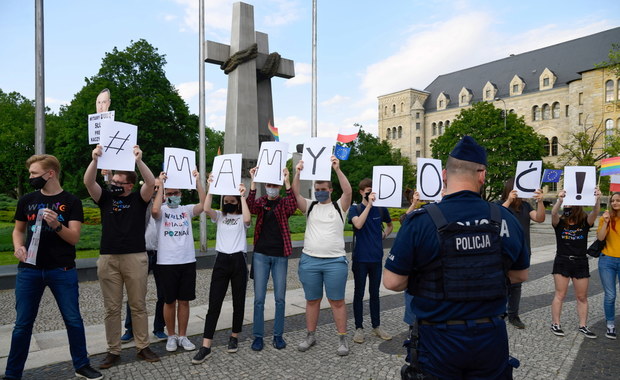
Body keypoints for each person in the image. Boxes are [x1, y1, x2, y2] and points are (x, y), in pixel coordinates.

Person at [384, 136, 529, 379]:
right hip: (489, 336)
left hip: (438, 338)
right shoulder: (504, 218)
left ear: (443, 174)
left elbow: (392, 282)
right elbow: (520, 274)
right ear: (482, 174)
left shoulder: (420, 221)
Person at [5, 155, 102, 380]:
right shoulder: (27, 200)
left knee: (73, 320)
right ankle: (12, 374)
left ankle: (81, 365)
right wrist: (18, 247)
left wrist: (57, 224)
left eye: (34, 174)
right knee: (22, 325)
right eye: (30, 174)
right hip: (28, 270)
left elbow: (74, 237)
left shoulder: (72, 201)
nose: (31, 178)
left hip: (62, 270)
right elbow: (18, 230)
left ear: (50, 174)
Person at [83, 144, 160, 368]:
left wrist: (138, 160)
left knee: (138, 305)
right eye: (113, 182)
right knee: (112, 308)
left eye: (119, 183)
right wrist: (95, 159)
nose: (114, 185)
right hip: (108, 258)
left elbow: (151, 182)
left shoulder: (139, 198)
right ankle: (113, 350)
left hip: (135, 257)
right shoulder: (105, 198)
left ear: (130, 184)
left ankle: (142, 347)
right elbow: (89, 182)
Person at [292, 155, 353, 356]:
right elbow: (294, 194)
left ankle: (342, 338)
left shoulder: (339, 207)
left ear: (330, 190)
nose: (320, 192)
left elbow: (348, 191)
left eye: (323, 189)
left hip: (335, 261)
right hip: (310, 260)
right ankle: (310, 335)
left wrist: (337, 169)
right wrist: (297, 173)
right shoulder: (309, 206)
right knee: (312, 300)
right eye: (317, 190)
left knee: (337, 301)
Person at [192, 179, 251, 364]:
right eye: (226, 200)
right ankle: (206, 345)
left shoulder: (242, 217)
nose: (229, 203)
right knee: (214, 303)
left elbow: (248, 219)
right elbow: (207, 208)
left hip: (239, 261)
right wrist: (211, 189)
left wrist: (242, 197)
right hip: (222, 261)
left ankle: (234, 336)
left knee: (238, 301)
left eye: (232, 201)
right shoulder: (219, 216)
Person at [152, 170, 205, 353]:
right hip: (166, 262)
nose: (173, 196)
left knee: (184, 301)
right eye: (170, 193)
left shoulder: (186, 210)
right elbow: (155, 210)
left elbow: (204, 204)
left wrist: (198, 181)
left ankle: (183, 336)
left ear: (181, 194)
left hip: (187, 260)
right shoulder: (162, 211)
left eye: (176, 193)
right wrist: (160, 186)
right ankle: (171, 336)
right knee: (169, 301)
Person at [246, 167, 297, 351]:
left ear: (279, 186)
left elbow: (294, 205)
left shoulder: (284, 203)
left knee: (280, 298)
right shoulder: (260, 202)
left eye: (275, 185)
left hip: (280, 256)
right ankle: (258, 336)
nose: (271, 188)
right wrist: (253, 182)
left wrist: (288, 181)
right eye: (268, 185)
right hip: (261, 255)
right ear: (265, 186)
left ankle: (278, 335)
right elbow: (250, 207)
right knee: (259, 298)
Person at [121, 178, 167, 344]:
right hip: (142, 252)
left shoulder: (167, 204)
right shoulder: (139, 203)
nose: (154, 189)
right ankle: (130, 329)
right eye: (152, 186)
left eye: (157, 186)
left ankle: (159, 328)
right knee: (136, 293)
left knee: (163, 293)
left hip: (162, 253)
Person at [550, 188, 601, 338]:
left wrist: (597, 199)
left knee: (582, 296)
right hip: (562, 261)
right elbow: (553, 213)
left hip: (580, 262)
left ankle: (583, 325)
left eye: (569, 205)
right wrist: (559, 200)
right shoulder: (559, 223)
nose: (567, 207)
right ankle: (556, 323)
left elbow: (595, 213)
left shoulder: (585, 223)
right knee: (560, 294)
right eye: (566, 205)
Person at [349, 178, 393, 344]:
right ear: (361, 192)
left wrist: (384, 234)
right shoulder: (355, 209)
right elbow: (358, 225)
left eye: (373, 191)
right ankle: (358, 328)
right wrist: (368, 205)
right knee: (358, 293)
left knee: (374, 293)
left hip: (375, 258)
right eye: (368, 191)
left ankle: (376, 326)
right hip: (360, 258)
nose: (371, 194)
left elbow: (389, 225)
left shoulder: (381, 209)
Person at [500, 177, 546, 329]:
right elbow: (499, 215)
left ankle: (514, 315)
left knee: (516, 285)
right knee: (500, 283)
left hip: (522, 250)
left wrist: (540, 202)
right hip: (502, 251)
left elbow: (539, 218)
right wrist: (508, 200)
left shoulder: (526, 206)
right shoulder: (498, 205)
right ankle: (500, 312)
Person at [596, 192, 620, 340]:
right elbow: (600, 238)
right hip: (607, 260)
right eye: (613, 201)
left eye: (618, 200)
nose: (615, 203)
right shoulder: (605, 218)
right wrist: (605, 222)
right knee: (610, 295)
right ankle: (610, 324)